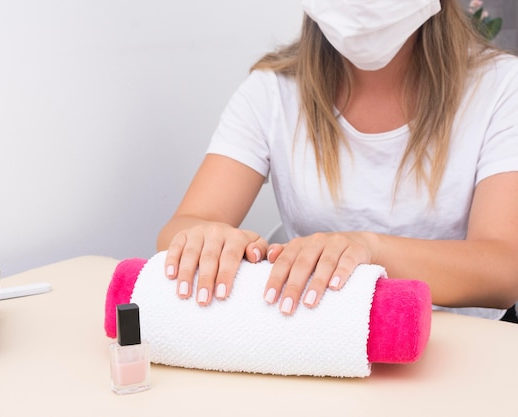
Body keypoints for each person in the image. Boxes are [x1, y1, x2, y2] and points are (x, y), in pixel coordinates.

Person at [156, 0, 518, 321]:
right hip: (322, 335)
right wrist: (206, 239)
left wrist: (370, 251)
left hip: (466, 350)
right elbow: (179, 230)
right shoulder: (272, 91)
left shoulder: (501, 87)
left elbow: (504, 271)